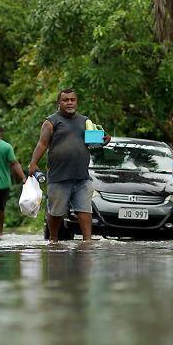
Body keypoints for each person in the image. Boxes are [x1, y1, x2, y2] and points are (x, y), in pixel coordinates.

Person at [28, 89, 109, 243]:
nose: (70, 102)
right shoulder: (51, 122)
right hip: (59, 175)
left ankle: (87, 241)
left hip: (81, 176)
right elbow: (42, 144)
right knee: (56, 212)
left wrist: (106, 139)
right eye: (66, 100)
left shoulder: (85, 121)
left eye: (72, 99)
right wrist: (33, 163)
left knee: (85, 210)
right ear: (59, 103)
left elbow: (94, 143)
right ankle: (53, 239)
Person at [0, 126, 26, 239]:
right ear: (2, 134)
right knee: (2, 208)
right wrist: (23, 177)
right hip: (4, 183)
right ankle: (1, 231)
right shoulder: (7, 146)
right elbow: (14, 164)